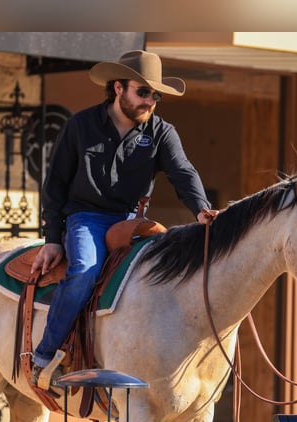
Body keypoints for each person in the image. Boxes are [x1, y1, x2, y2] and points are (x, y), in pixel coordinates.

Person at [28, 50, 218, 385]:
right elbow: (55, 185)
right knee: (85, 271)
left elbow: (183, 173)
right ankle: (44, 355)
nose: (150, 101)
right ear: (118, 88)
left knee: (160, 278)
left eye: (156, 95)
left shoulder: (161, 132)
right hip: (85, 218)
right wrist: (53, 239)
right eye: (143, 92)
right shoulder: (80, 126)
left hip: (133, 221)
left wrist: (201, 209)